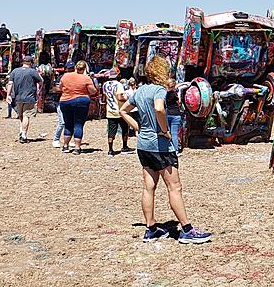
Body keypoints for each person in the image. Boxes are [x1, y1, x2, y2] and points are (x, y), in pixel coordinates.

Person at [120, 56, 211, 244]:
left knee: (149, 187)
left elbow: (123, 110)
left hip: (143, 146)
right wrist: (164, 130)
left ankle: (151, 228)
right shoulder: (159, 90)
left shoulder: (140, 90)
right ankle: (186, 229)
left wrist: (137, 127)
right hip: (160, 146)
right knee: (174, 187)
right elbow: (160, 109)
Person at [57, 61, 98, 154]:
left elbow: (60, 88)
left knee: (68, 124)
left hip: (65, 101)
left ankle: (65, 146)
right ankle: (77, 147)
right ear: (85, 69)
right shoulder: (86, 78)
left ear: (76, 67)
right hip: (81, 101)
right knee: (78, 124)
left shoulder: (65, 76)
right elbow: (92, 91)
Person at [6, 55, 43, 143]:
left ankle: (21, 131)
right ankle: (24, 135)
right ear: (30, 63)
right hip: (29, 97)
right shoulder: (33, 71)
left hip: (18, 97)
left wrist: (8, 95)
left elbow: (10, 84)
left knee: (21, 115)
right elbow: (41, 81)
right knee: (26, 115)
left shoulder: (15, 71)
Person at [101, 70, 132, 156]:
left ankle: (110, 150)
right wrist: (128, 99)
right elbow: (119, 97)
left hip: (110, 110)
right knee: (125, 128)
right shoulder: (119, 84)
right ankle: (124, 147)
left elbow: (104, 97)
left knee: (111, 130)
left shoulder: (105, 85)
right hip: (120, 110)